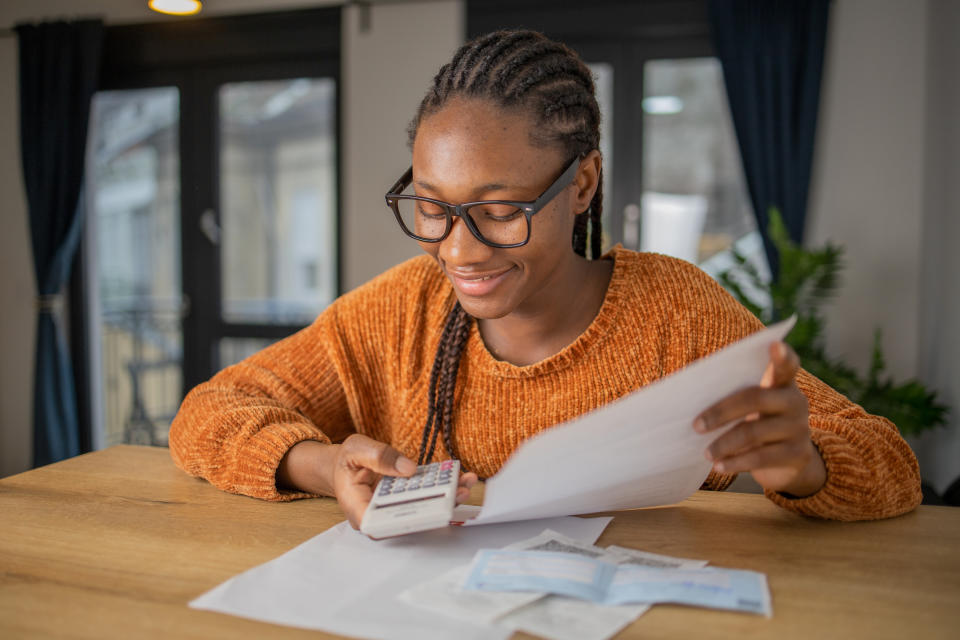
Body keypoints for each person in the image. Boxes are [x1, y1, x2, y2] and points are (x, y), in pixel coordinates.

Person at [169, 29, 921, 526]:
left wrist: (808, 464)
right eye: (431, 208)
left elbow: (893, 467)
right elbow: (208, 413)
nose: (458, 251)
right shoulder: (399, 312)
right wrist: (325, 462)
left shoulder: (676, 314)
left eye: (499, 212)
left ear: (583, 184)